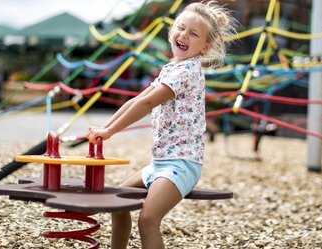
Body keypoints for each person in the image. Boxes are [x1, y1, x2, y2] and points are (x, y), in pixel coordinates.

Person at [86, 1, 236, 248]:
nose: (184, 35)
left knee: (148, 218)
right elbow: (139, 99)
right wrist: (105, 129)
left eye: (194, 33)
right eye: (180, 27)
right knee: (117, 202)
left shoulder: (187, 72)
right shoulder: (170, 69)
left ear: (205, 46)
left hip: (182, 164)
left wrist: (110, 131)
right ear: (171, 32)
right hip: (160, 163)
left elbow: (147, 105)